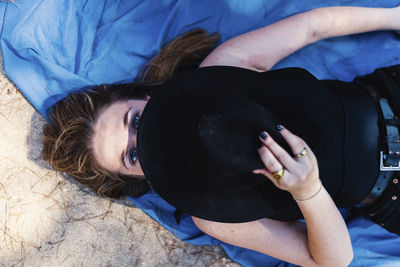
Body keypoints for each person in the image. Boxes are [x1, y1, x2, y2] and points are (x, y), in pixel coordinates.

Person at [42, 5, 400, 266]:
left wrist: (393, 17)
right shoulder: (211, 213)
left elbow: (312, 28)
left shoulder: (218, 71)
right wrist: (309, 193)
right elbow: (333, 260)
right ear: (137, 180)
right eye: (131, 157)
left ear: (144, 96)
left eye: (134, 122)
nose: (146, 140)